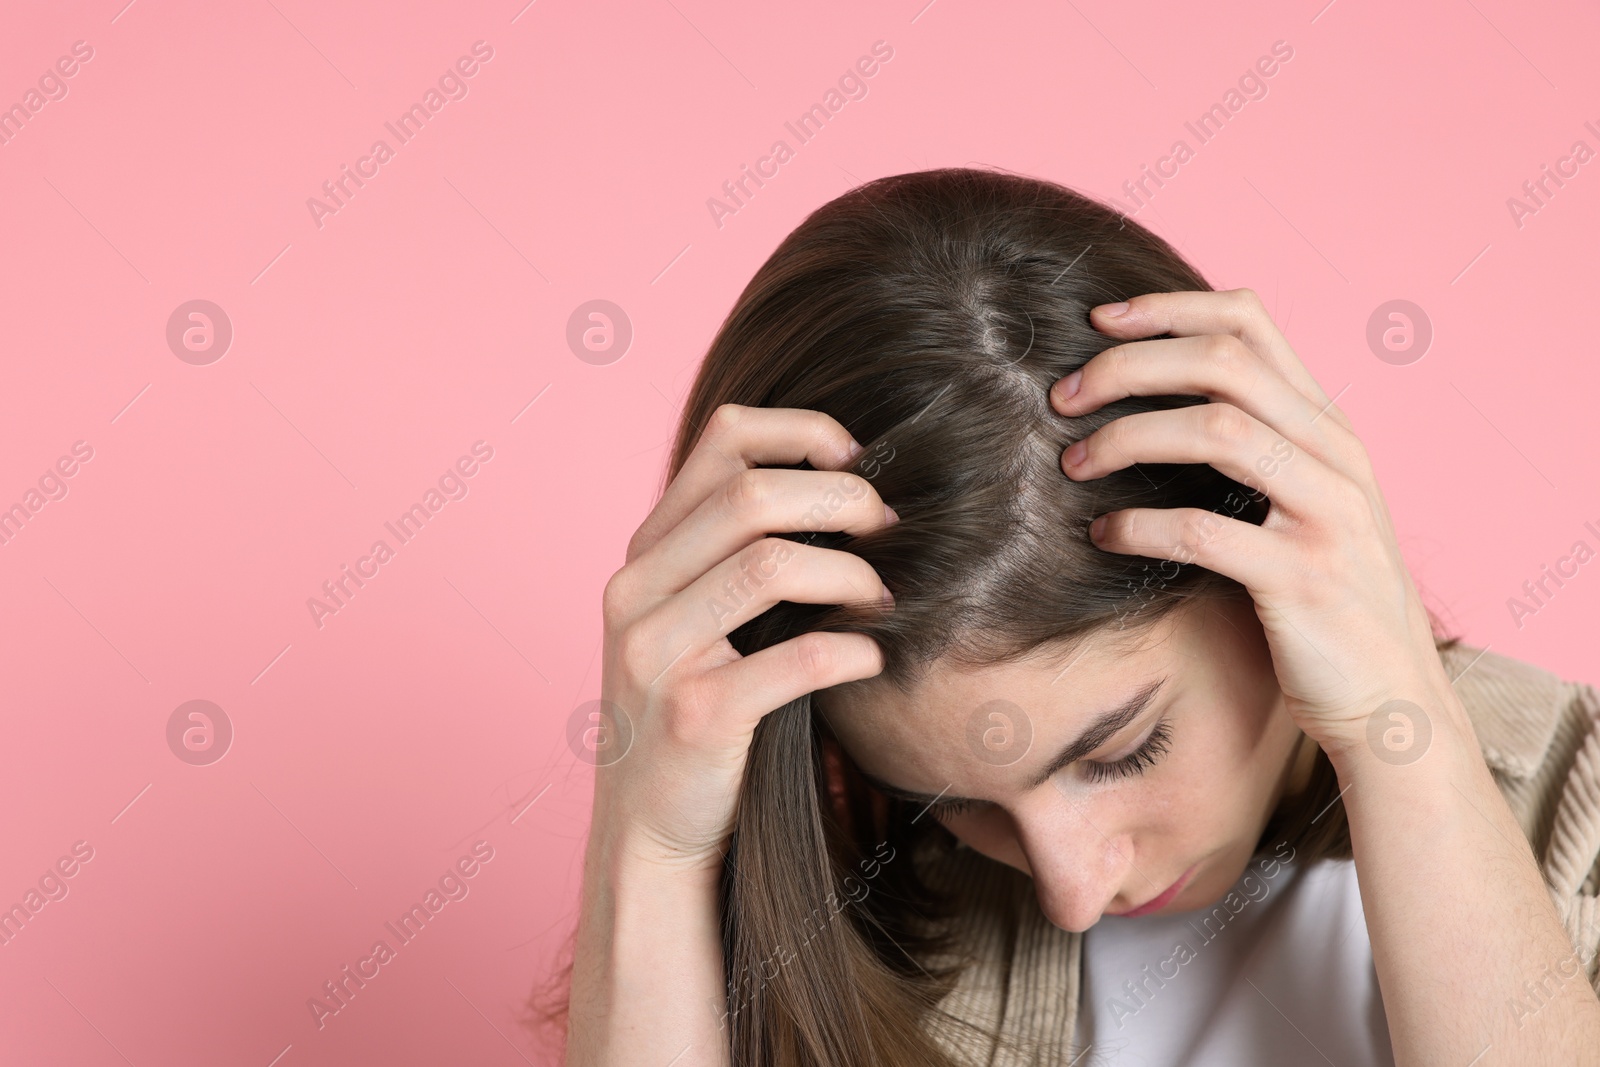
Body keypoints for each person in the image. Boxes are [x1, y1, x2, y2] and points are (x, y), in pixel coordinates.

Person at [543, 167, 1600, 1066]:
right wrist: (649, 847)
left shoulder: (1569, 808)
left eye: (1124, 748)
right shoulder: (848, 905)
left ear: (1264, 555)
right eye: (947, 804)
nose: (1071, 889)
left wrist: (1399, 721)